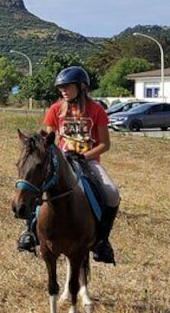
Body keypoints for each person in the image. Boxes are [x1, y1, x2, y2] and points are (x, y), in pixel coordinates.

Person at [17, 66, 120, 264]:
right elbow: (46, 139)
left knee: (112, 193)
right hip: (62, 161)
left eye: (67, 86)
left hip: (88, 161)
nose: (63, 90)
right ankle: (30, 232)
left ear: (81, 87)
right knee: (38, 186)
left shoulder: (96, 110)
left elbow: (105, 145)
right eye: (61, 88)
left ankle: (102, 241)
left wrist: (84, 156)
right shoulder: (56, 109)